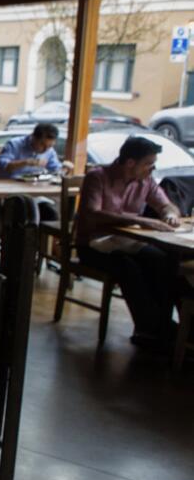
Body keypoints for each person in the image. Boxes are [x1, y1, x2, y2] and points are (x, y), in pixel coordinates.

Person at [74, 135, 183, 347]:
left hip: (126, 242)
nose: (151, 169)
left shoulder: (146, 181)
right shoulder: (98, 176)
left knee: (163, 261)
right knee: (128, 268)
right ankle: (151, 330)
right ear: (131, 163)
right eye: (148, 164)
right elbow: (92, 214)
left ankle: (161, 328)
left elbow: (166, 205)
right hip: (92, 244)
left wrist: (169, 214)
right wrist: (139, 220)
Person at [0, 122, 68, 179]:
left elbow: (56, 169)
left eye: (49, 146)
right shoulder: (14, 144)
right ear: (33, 137)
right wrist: (25, 162)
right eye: (42, 144)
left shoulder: (49, 151)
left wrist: (65, 168)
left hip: (35, 189)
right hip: (9, 187)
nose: (45, 149)